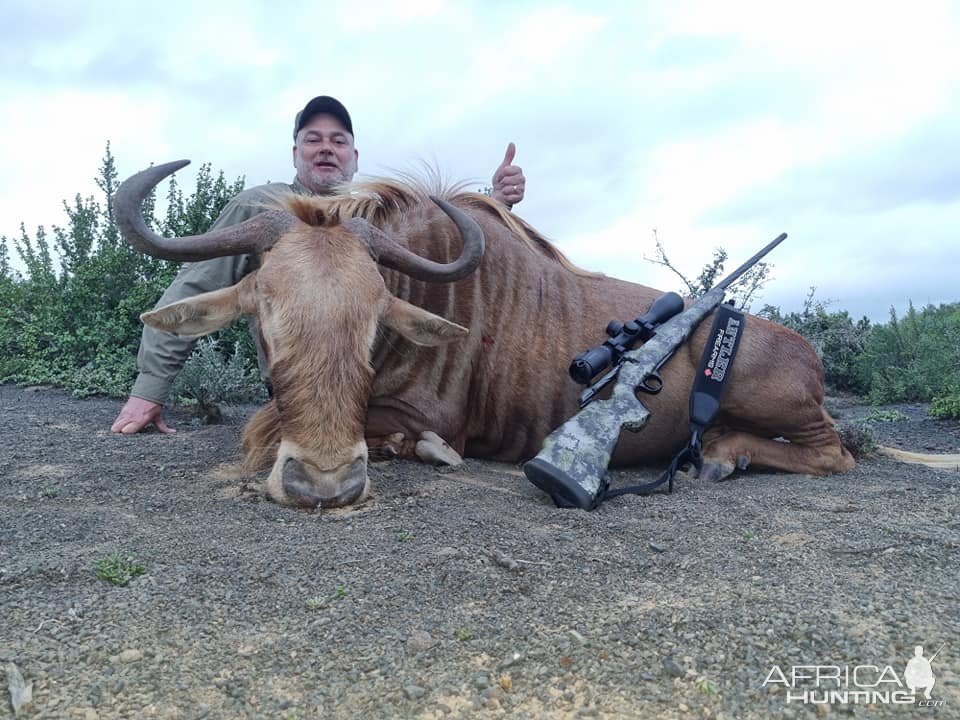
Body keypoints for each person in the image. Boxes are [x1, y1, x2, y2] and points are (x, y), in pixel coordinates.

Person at [111, 96, 527, 435]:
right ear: (296, 153)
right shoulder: (261, 208)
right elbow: (195, 291)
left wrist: (494, 200)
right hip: (296, 385)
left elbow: (442, 243)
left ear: (354, 157)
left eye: (338, 140)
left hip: (385, 389)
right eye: (313, 139)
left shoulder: (377, 217)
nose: (326, 147)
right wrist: (149, 390)